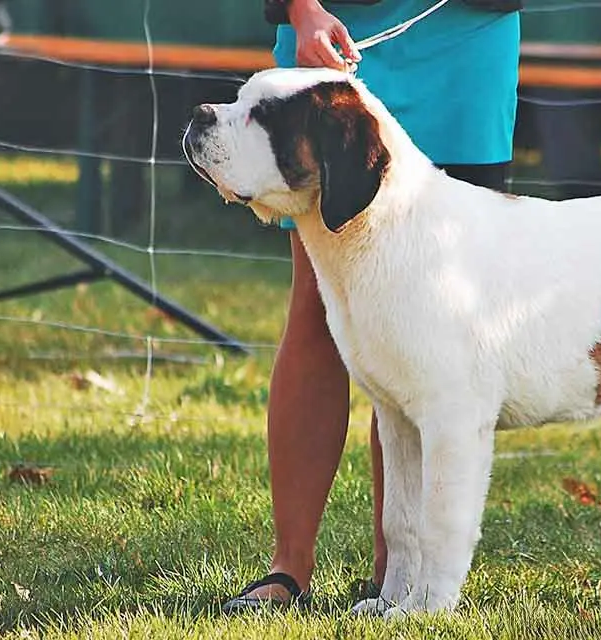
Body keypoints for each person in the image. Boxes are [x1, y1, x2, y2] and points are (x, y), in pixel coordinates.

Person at [222, 0, 521, 612]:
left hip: (464, 41)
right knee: (317, 306)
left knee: (435, 321)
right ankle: (289, 567)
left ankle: (400, 572)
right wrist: (302, 11)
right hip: (327, 38)